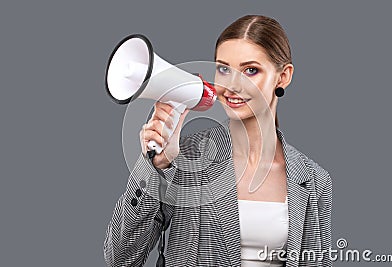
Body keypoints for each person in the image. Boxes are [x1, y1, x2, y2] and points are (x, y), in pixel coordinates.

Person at [104, 15, 333, 267]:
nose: (232, 85)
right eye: (224, 69)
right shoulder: (184, 161)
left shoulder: (314, 180)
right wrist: (156, 166)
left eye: (251, 70)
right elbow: (120, 259)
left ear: (283, 76)